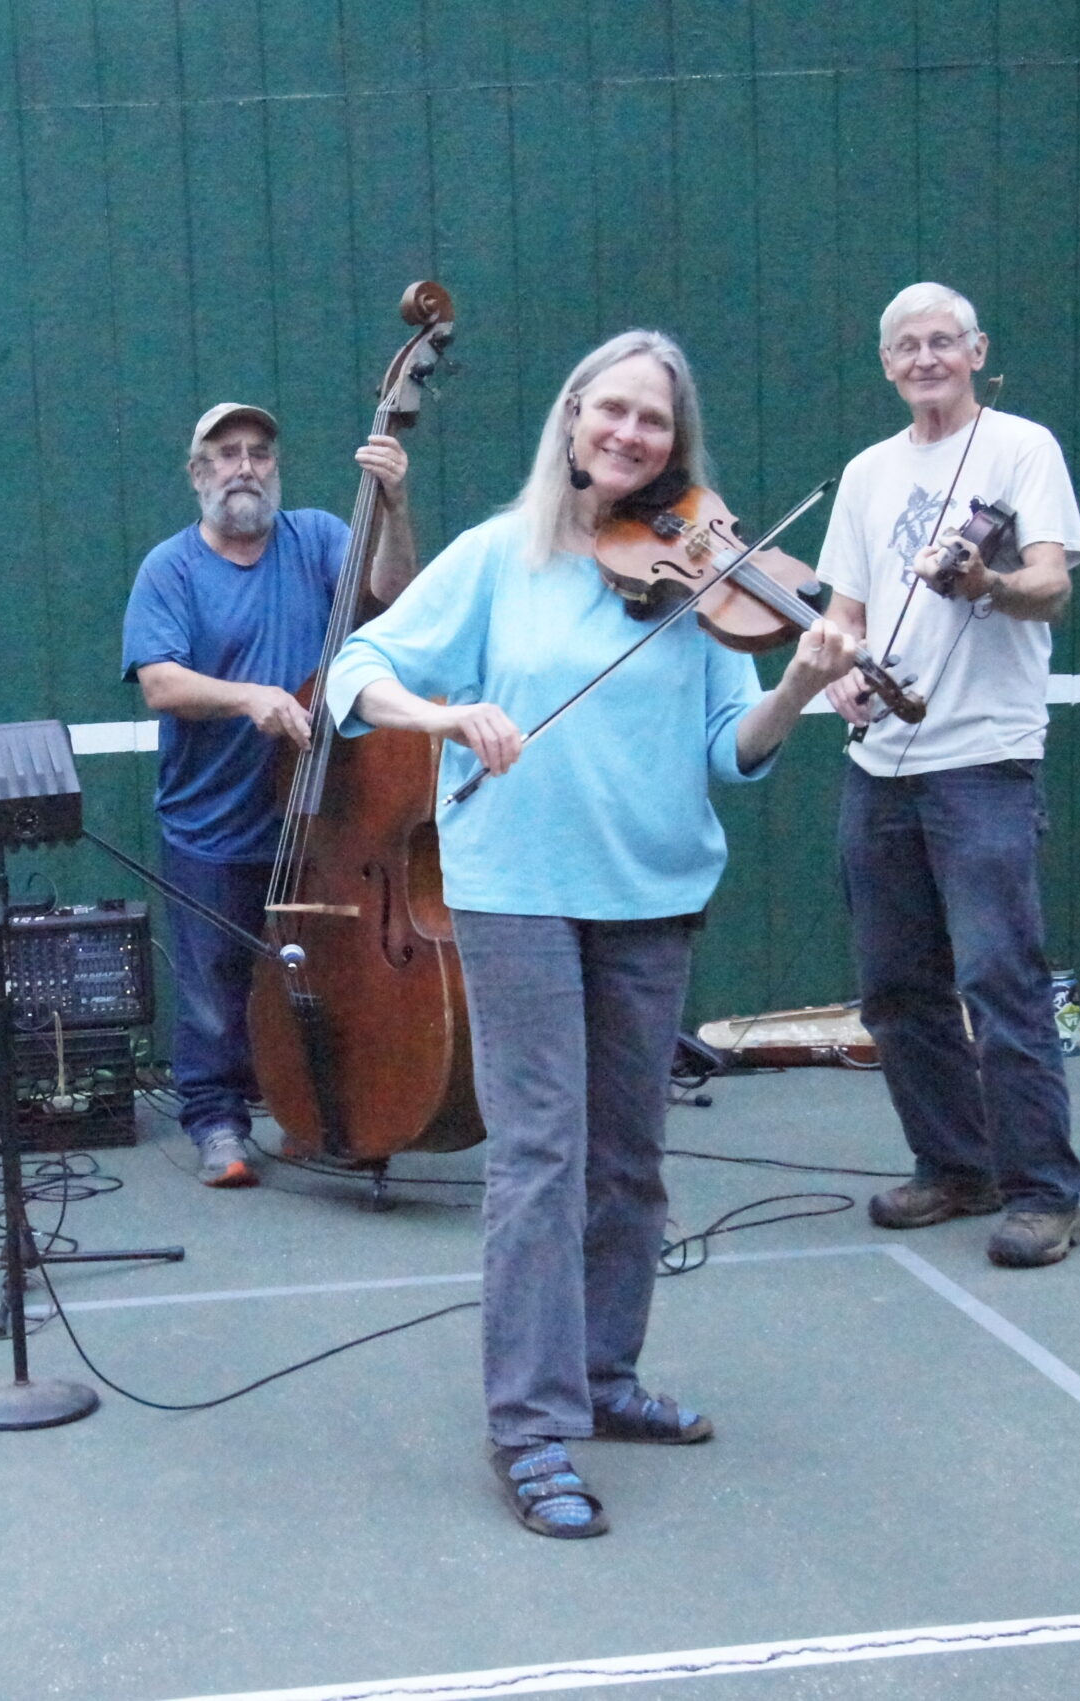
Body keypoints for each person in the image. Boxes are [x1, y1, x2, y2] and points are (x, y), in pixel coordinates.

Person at [322, 332, 858, 1539]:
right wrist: (447, 713)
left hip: (652, 894)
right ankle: (528, 1424)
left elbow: (735, 750)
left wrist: (801, 687)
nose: (629, 435)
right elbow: (356, 673)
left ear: (677, 444)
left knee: (629, 1159)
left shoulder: (711, 579)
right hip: (517, 890)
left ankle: (604, 1379)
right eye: (610, 411)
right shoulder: (494, 559)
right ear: (571, 420)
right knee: (538, 1157)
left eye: (653, 422)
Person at [816, 281, 1080, 1269]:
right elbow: (844, 616)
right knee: (894, 986)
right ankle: (954, 1164)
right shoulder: (864, 473)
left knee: (1000, 979)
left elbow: (1051, 586)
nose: (925, 358)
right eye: (906, 346)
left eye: (943, 342)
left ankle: (1044, 1194)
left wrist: (987, 583)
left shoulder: (1023, 449)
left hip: (983, 757)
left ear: (976, 352)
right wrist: (840, 675)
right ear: (887, 365)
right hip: (880, 762)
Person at [121, 403, 422, 1187]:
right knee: (216, 986)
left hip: (324, 816)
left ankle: (314, 1111)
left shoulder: (319, 535)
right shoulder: (171, 568)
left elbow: (391, 597)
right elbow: (160, 681)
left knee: (321, 976)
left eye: (258, 452)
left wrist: (392, 503)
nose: (244, 466)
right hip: (213, 821)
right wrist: (248, 696)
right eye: (225, 454)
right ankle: (217, 1122)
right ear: (199, 474)